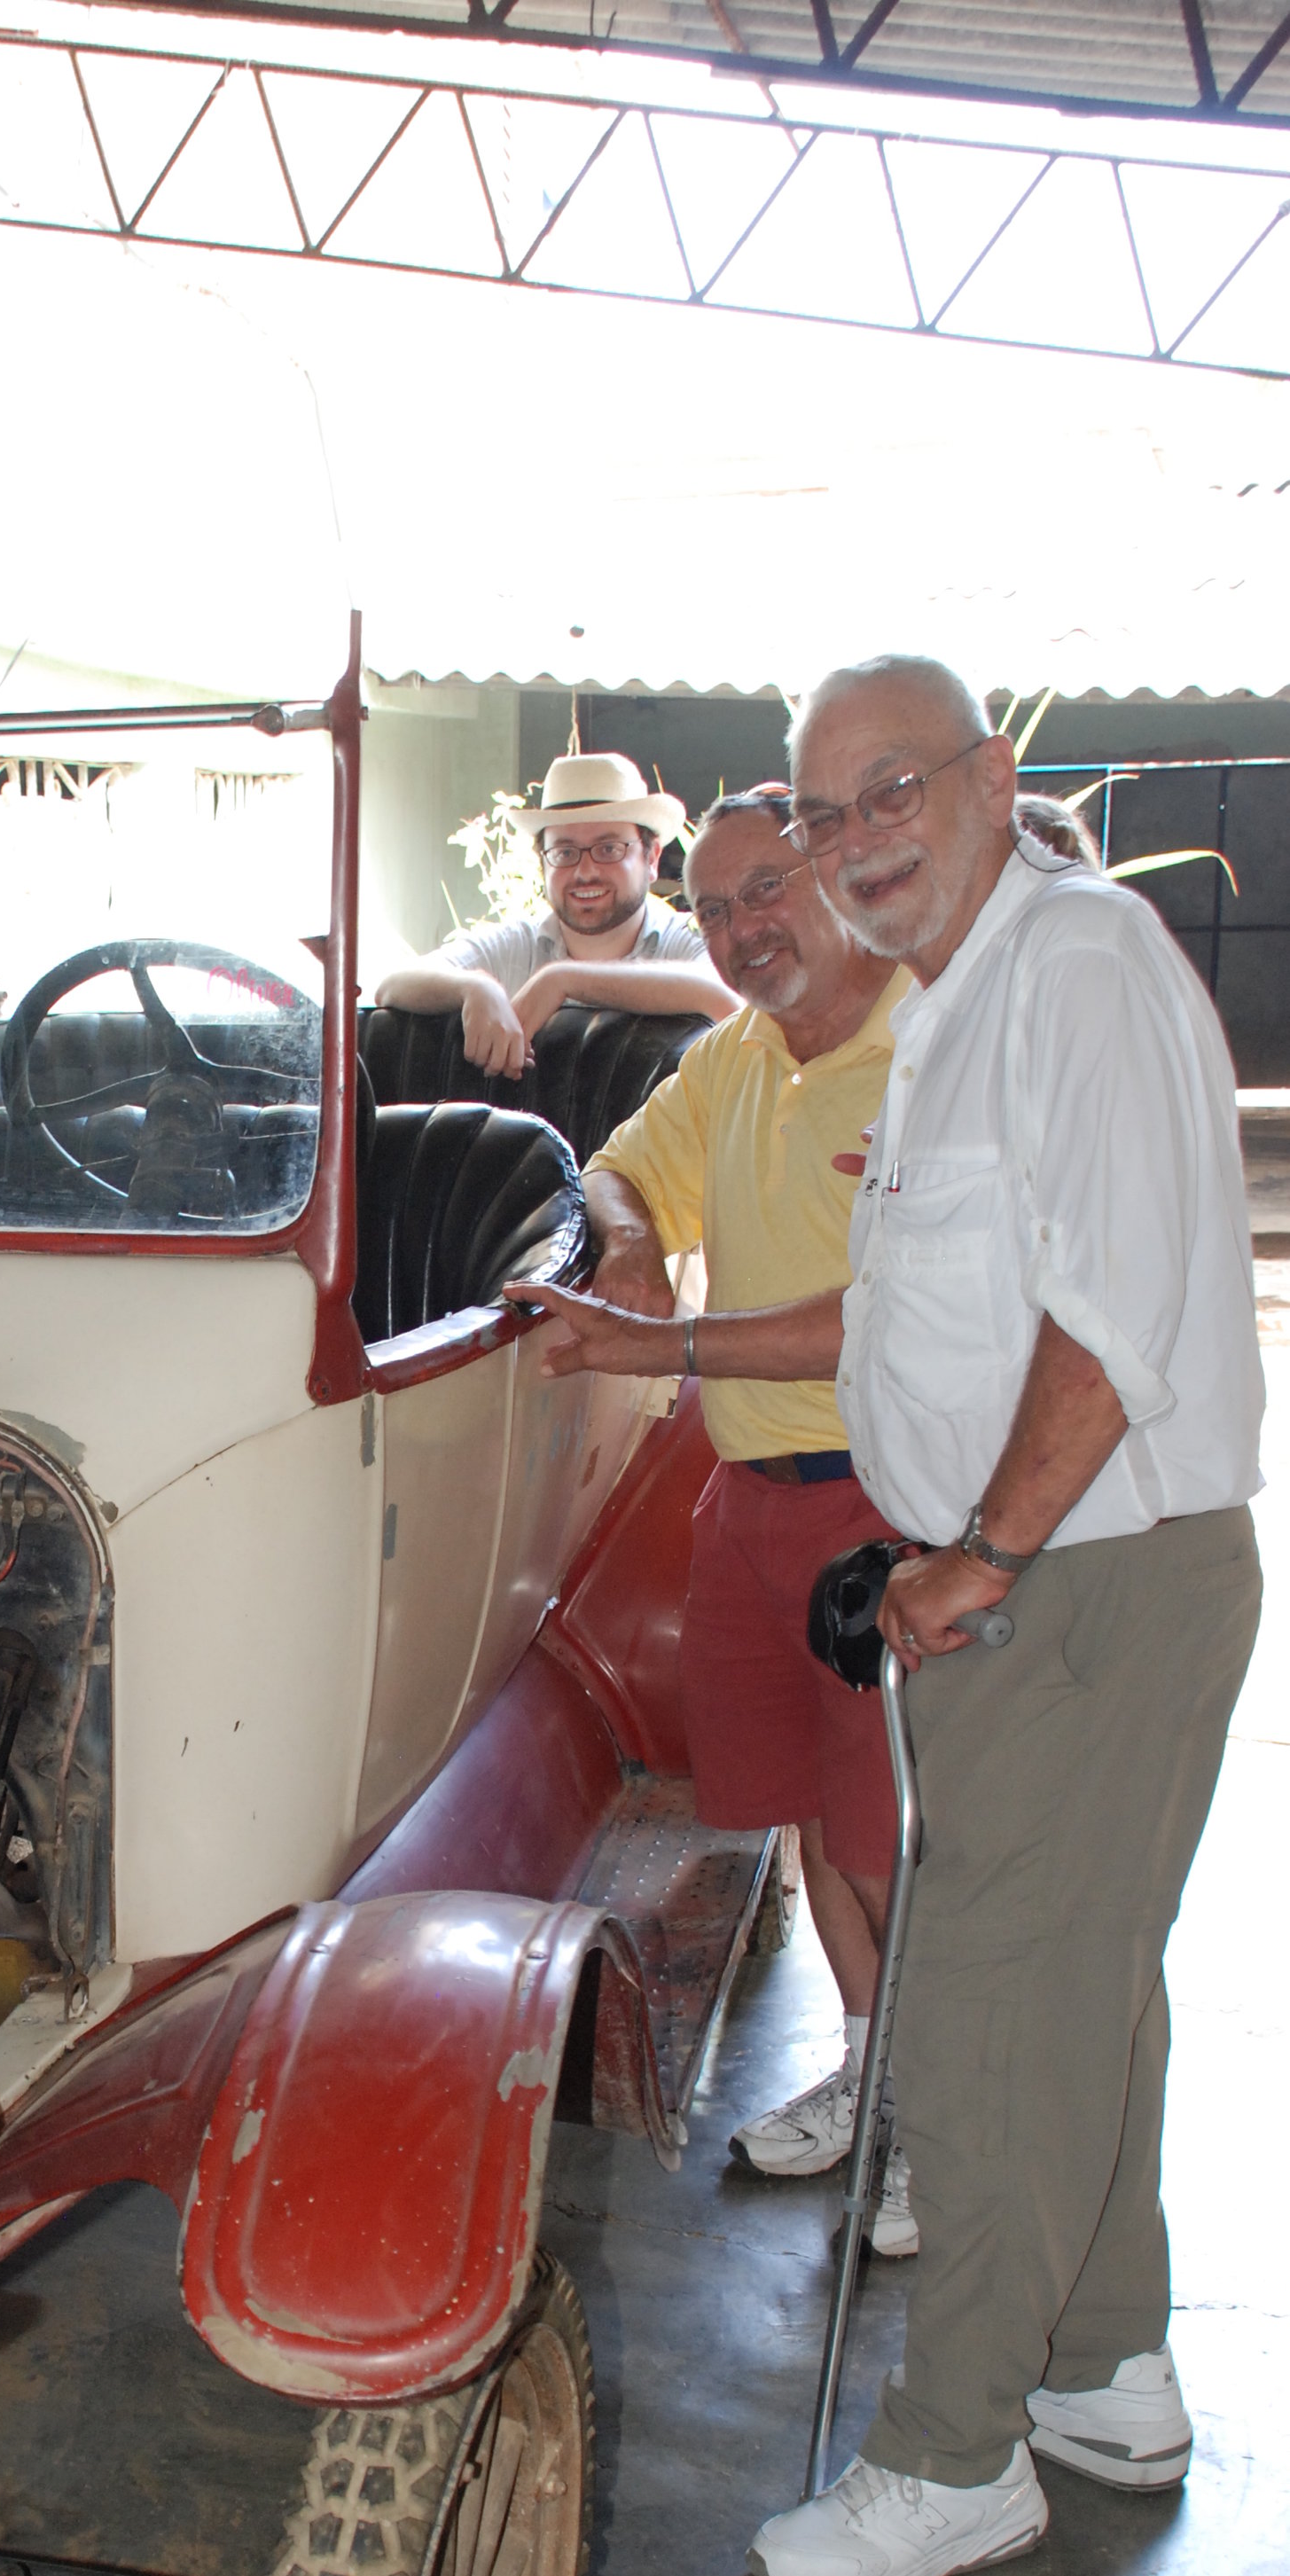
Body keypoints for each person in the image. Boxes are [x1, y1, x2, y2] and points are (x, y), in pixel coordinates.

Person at [522, 652, 1264, 2576]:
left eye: (883, 795)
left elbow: (1105, 1320)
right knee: (1079, 1986)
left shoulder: (1073, 966)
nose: (850, 845)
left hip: (1082, 1572)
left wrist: (980, 1548)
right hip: (1044, 1562)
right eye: (817, 808)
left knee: (998, 2014)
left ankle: (955, 2460)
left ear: (987, 777)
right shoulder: (960, 999)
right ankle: (1104, 2372)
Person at [509, 787, 919, 2251]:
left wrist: (656, 1344)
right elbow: (619, 1169)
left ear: (845, 882)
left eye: (772, 894)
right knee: (803, 1821)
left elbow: (881, 1322)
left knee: (890, 1835)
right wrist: (625, 1245)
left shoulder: (925, 1049)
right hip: (748, 1493)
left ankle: (933, 2114)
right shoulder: (730, 1059)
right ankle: (876, 2070)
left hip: (891, 1498)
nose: (745, 931)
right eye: (726, 904)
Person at [376, 749, 736, 1079]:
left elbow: (725, 994)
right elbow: (393, 984)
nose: (585, 872)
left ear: (651, 857)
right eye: (564, 852)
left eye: (609, 849)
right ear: (542, 863)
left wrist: (563, 980)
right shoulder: (515, 945)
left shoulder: (685, 941)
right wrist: (474, 986)